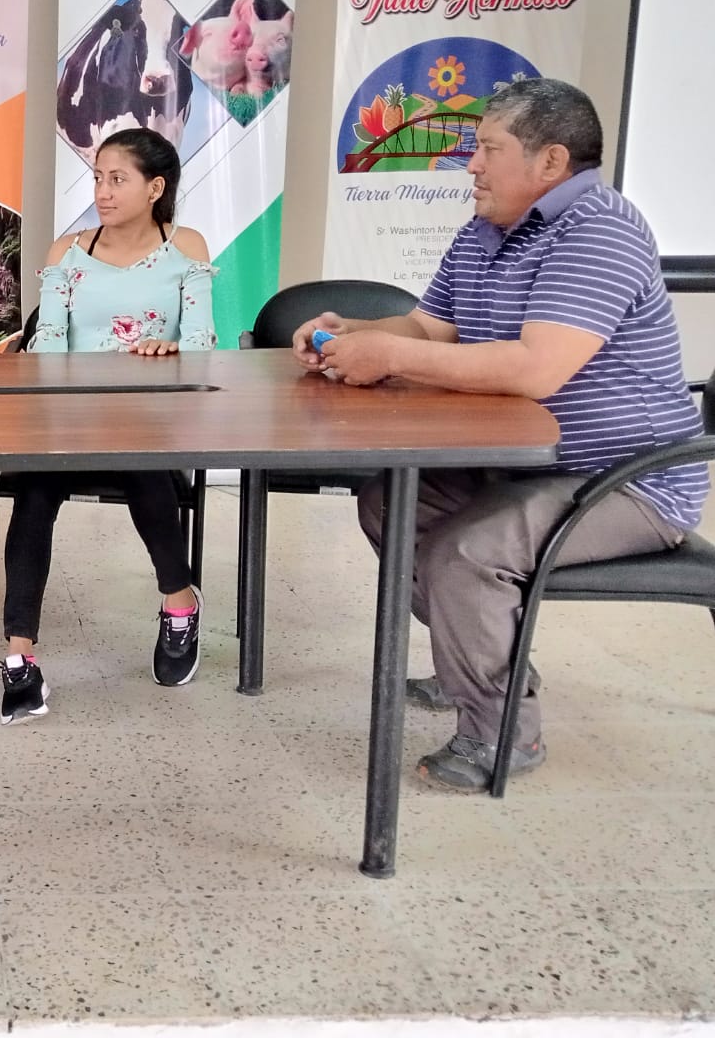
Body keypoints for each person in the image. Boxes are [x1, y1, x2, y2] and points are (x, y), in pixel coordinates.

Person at [294, 77, 708, 790]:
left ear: (550, 161)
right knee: (390, 504)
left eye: (488, 149)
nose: (471, 164)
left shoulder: (601, 230)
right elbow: (429, 328)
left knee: (468, 551)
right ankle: (483, 658)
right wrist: (351, 332)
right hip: (529, 465)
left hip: (628, 479)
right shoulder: (487, 228)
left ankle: (501, 733)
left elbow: (537, 368)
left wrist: (388, 357)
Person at [0, 127, 216, 724]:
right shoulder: (65, 252)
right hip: (70, 418)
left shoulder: (186, 247)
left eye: (117, 179)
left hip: (150, 417)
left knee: (143, 468)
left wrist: (172, 346)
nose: (102, 191)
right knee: (34, 491)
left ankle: (179, 604)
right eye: (97, 178)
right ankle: (20, 658)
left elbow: (202, 344)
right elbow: (47, 348)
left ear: (155, 188)